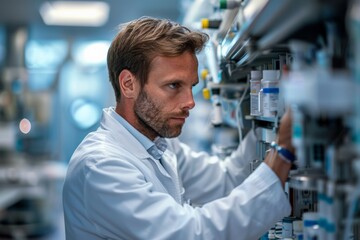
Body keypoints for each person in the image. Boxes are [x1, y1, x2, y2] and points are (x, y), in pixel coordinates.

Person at [62, 16, 295, 240]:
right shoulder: (100, 166)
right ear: (128, 84)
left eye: (191, 86)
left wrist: (275, 124)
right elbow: (192, 234)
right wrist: (282, 155)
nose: (190, 102)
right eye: (174, 85)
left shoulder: (159, 145)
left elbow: (226, 180)